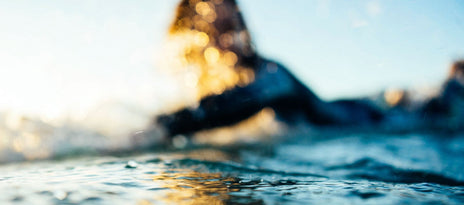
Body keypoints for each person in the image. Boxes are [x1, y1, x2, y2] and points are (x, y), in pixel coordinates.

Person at [149, 0, 463, 140]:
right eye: (216, 32)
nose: (228, 41)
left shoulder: (271, 74)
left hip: (367, 120)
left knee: (436, 113)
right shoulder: (215, 86)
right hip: (351, 108)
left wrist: (162, 127)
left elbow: (250, 99)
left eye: (232, 27)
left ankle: (455, 80)